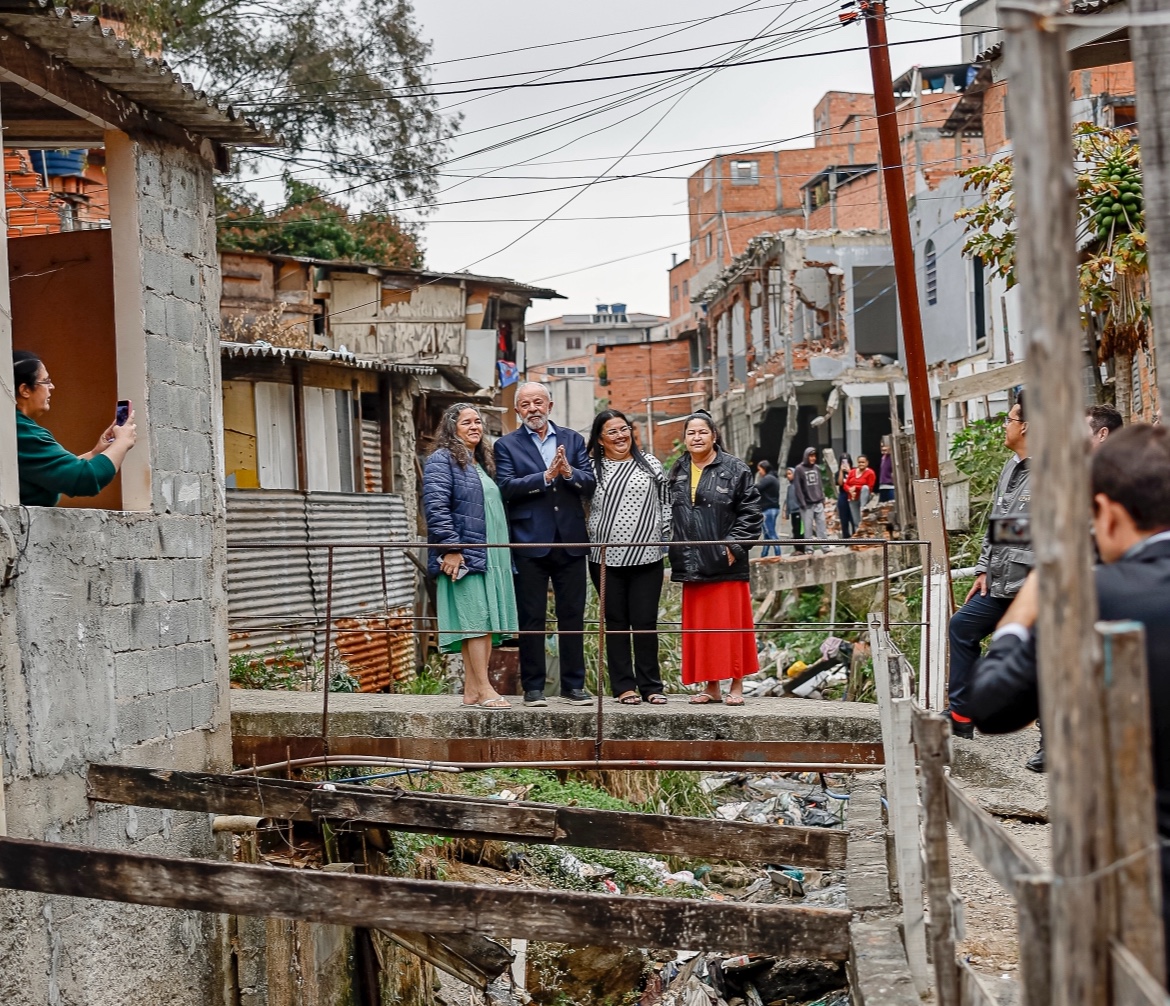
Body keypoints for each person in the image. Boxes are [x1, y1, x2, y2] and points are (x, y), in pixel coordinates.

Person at [966, 423, 1170, 958]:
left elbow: (990, 704)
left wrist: (1023, 615)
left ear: (1106, 512)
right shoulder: (1019, 473)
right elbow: (1003, 531)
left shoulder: (1095, 596)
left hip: (1142, 874)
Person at [494, 382, 596, 707]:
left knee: (572, 615)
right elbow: (506, 487)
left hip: (570, 540)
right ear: (517, 411)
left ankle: (573, 686)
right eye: (526, 404)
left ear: (550, 405)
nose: (533, 409)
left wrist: (567, 473)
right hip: (529, 542)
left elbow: (589, 483)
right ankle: (533, 688)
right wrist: (544, 478)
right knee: (531, 617)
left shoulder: (573, 439)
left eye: (538, 402)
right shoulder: (505, 445)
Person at [946, 392, 1031, 740]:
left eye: (1009, 419)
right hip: (1000, 581)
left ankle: (1050, 738)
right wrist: (984, 569)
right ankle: (960, 716)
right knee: (962, 627)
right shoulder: (1011, 467)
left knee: (1042, 656)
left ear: (1026, 426)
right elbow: (998, 524)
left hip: (1031, 585)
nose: (1005, 426)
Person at [423, 404, 517, 708]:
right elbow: (436, 508)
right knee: (475, 620)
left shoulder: (479, 462)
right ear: (452, 427)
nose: (475, 426)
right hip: (465, 554)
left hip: (490, 553)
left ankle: (473, 690)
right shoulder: (442, 460)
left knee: (484, 621)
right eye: (467, 422)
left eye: (478, 421)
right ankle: (485, 688)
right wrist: (451, 548)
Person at [667, 411, 763, 706]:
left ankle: (736, 685)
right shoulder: (678, 469)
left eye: (702, 432)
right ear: (684, 440)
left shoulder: (734, 469)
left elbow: (751, 512)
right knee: (703, 628)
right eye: (691, 433)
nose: (696, 438)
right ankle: (711, 687)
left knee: (731, 625)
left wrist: (733, 547)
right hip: (690, 561)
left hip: (725, 561)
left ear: (714, 436)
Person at [585, 410, 671, 705]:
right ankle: (624, 686)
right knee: (616, 622)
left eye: (624, 429)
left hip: (648, 556)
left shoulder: (650, 464)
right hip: (604, 557)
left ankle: (651, 686)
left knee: (645, 622)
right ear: (600, 439)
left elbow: (666, 502)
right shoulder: (591, 468)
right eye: (612, 432)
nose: (621, 436)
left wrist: (665, 541)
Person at [12, 350, 137, 506]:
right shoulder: (22, 433)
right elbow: (86, 479)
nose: (52, 386)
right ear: (25, 390)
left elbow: (60, 472)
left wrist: (95, 453)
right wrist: (122, 443)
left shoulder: (14, 426)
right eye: (45, 381)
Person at [793, 447, 829, 550]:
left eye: (814, 456)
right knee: (808, 528)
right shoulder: (799, 469)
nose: (813, 458)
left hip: (818, 502)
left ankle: (825, 547)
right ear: (806, 456)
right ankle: (809, 549)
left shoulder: (816, 468)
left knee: (821, 526)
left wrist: (822, 498)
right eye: (811, 456)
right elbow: (798, 488)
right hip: (807, 504)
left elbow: (819, 484)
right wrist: (802, 502)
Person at [756, 460, 782, 557]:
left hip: (768, 509)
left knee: (771, 533)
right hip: (774, 508)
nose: (759, 472)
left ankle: (778, 553)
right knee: (767, 534)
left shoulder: (768, 478)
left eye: (760, 469)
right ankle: (764, 554)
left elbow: (757, 488)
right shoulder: (774, 478)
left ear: (764, 468)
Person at [845, 454, 877, 533]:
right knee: (856, 521)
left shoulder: (870, 473)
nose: (861, 464)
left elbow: (870, 487)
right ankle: (858, 538)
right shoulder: (852, 472)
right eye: (859, 462)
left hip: (864, 497)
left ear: (867, 463)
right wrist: (850, 490)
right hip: (853, 497)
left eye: (863, 462)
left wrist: (856, 487)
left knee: (865, 487)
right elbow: (846, 484)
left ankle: (863, 508)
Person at [782, 468, 807, 554]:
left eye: (790, 474)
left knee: (799, 531)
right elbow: (788, 500)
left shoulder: (798, 486)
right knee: (795, 531)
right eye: (787, 474)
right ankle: (797, 549)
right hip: (793, 512)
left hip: (799, 511)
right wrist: (786, 512)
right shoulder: (789, 487)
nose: (788, 476)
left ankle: (801, 549)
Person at [835, 454, 856, 539]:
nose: (845, 463)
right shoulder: (838, 472)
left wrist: (849, 471)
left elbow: (855, 481)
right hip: (843, 495)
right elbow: (840, 483)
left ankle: (855, 537)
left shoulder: (854, 470)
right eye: (843, 461)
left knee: (853, 518)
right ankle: (846, 538)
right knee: (844, 519)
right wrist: (841, 470)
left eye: (846, 461)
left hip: (853, 495)